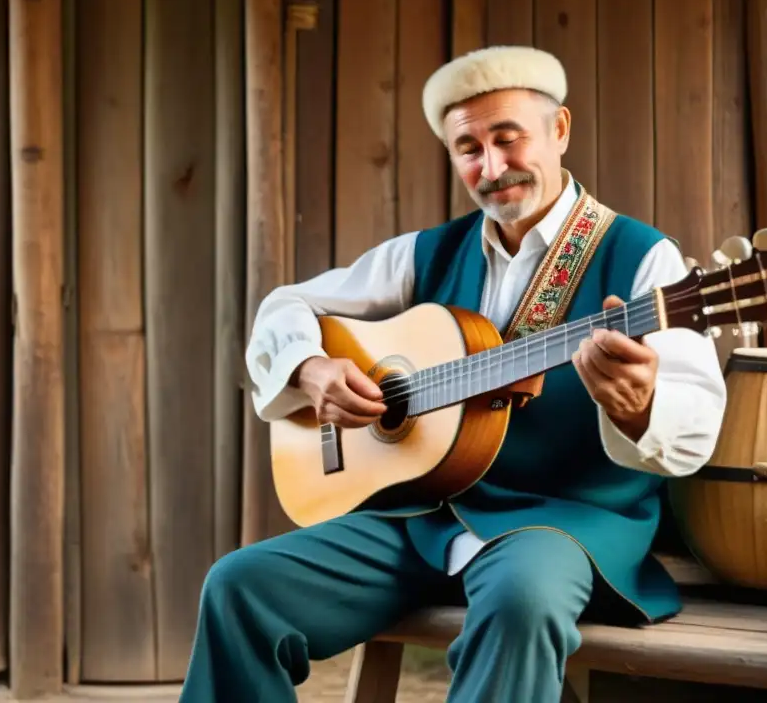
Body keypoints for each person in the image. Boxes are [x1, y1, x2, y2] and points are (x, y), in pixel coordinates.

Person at [180, 45, 727, 702]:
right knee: (239, 586)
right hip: (422, 515)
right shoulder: (427, 252)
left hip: (561, 524)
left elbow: (693, 422)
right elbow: (286, 308)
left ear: (559, 131)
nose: (492, 167)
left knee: (522, 598)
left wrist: (639, 406)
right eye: (469, 148)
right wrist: (312, 367)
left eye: (508, 138)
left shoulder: (643, 259)